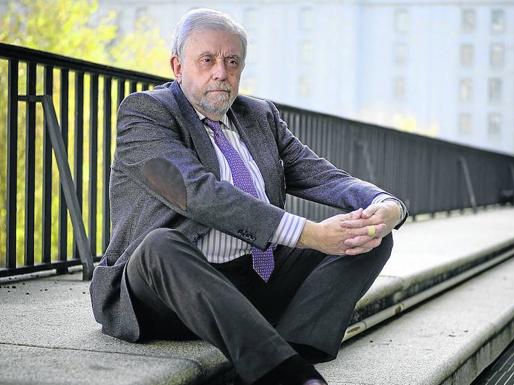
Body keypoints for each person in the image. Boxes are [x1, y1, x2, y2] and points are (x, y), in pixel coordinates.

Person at [90, 8, 407, 385]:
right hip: (166, 287)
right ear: (178, 66)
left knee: (369, 237)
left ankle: (291, 347)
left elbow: (320, 173)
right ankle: (287, 375)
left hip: (251, 278)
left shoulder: (258, 115)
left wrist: (387, 206)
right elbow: (194, 193)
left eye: (232, 61)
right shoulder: (146, 114)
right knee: (160, 245)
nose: (220, 72)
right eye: (207, 60)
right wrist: (309, 233)